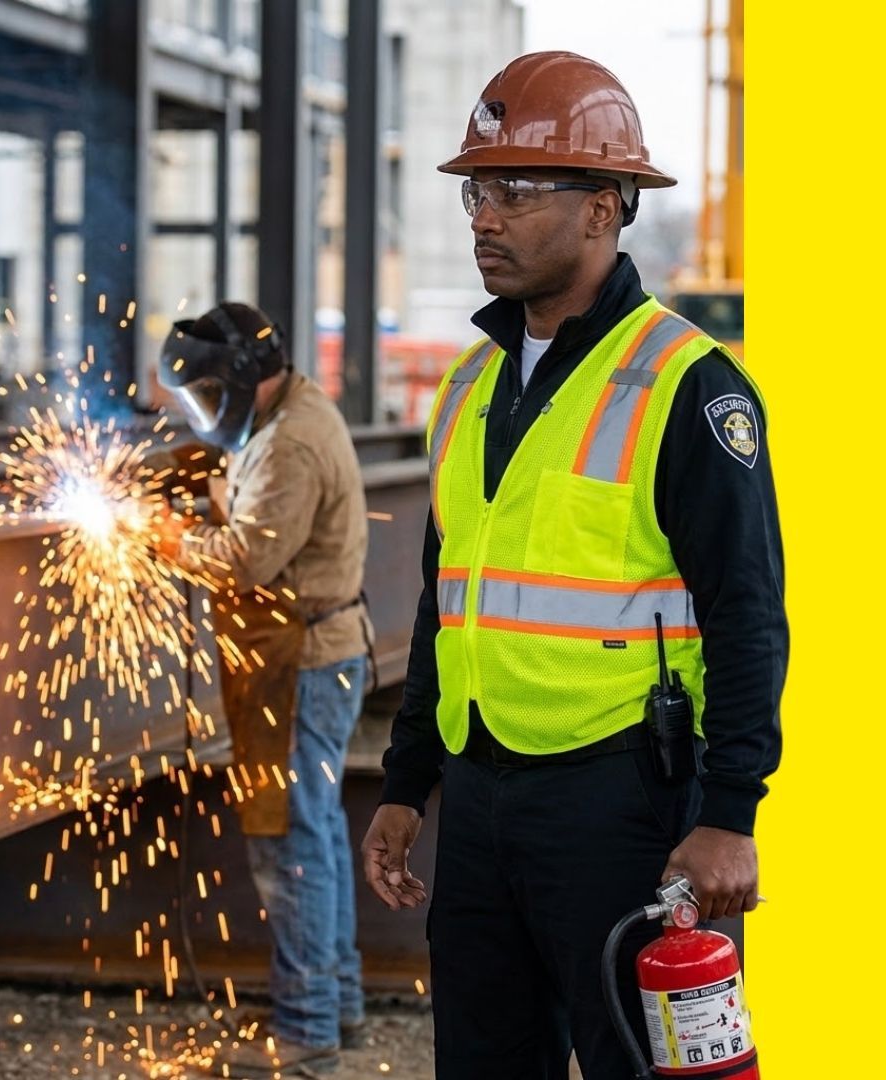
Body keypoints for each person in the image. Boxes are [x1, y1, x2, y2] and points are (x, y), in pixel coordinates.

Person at [360, 51, 786, 1079]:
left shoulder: (688, 384)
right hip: (483, 795)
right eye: (476, 189)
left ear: (604, 207)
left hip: (627, 806)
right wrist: (409, 782)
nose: (483, 217)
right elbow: (447, 606)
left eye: (514, 190)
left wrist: (731, 815)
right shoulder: (467, 387)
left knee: (642, 1063)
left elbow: (747, 614)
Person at [156, 301, 371, 1077]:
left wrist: (162, 532)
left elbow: (246, 562)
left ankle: (309, 1031)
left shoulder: (293, 447)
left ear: (246, 379)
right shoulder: (284, 418)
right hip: (309, 654)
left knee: (292, 847)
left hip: (304, 662)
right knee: (313, 836)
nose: (206, 413)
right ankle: (334, 1006)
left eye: (210, 395)